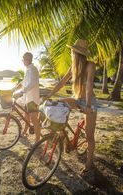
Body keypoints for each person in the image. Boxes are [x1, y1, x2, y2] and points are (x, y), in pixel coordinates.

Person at [44, 39, 97, 174]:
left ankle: (89, 163)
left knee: (89, 136)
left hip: (89, 102)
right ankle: (65, 136)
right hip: (77, 99)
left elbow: (89, 85)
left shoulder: (90, 65)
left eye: (72, 51)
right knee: (59, 104)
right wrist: (49, 94)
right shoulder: (73, 66)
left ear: (76, 52)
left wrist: (89, 106)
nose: (71, 53)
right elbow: (62, 82)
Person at [13, 52, 41, 143]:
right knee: (26, 116)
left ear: (28, 59)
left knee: (34, 120)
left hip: (32, 98)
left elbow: (32, 83)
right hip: (27, 98)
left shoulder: (33, 69)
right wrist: (15, 88)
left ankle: (37, 140)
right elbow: (24, 81)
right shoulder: (27, 69)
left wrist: (22, 91)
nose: (23, 61)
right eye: (23, 59)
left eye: (24, 59)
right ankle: (24, 132)